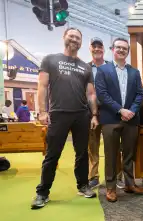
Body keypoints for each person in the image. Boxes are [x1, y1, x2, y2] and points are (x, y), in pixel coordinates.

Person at [31, 27, 98, 210]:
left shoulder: (85, 67)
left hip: (81, 115)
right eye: (72, 36)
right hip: (58, 113)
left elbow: (91, 93)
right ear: (64, 37)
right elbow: (42, 86)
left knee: (82, 153)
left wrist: (94, 114)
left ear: (81, 42)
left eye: (78, 37)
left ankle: (83, 185)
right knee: (52, 155)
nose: (74, 39)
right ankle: (42, 192)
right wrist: (42, 111)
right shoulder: (50, 60)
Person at [95, 37, 143, 202]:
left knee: (129, 154)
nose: (122, 50)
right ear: (113, 49)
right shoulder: (103, 70)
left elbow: (140, 94)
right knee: (111, 155)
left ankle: (130, 184)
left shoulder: (134, 72)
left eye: (125, 48)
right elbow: (102, 94)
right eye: (119, 47)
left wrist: (131, 111)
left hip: (131, 120)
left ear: (128, 52)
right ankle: (110, 188)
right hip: (110, 119)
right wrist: (120, 109)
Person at [86, 37, 124, 189]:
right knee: (92, 146)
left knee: (114, 145)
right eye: (94, 46)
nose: (97, 49)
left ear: (104, 49)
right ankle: (93, 177)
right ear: (90, 48)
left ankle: (118, 175)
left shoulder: (111, 67)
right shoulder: (86, 68)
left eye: (99, 46)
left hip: (110, 112)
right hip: (90, 113)